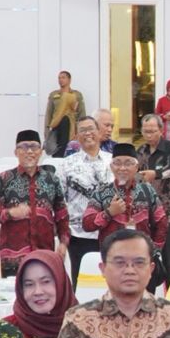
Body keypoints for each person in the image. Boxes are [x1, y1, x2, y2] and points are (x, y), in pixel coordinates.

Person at [0, 130, 70, 278]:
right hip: (12, 258)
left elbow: (62, 216)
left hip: (44, 254)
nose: (29, 151)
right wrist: (10, 213)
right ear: (16, 152)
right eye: (24, 147)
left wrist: (63, 243)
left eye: (34, 147)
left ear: (40, 152)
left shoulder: (52, 180)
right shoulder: (3, 179)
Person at [83, 143, 169, 258]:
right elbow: (87, 224)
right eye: (117, 163)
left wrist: (154, 251)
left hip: (141, 257)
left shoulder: (147, 190)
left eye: (128, 163)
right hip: (112, 258)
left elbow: (162, 222)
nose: (122, 168)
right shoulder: (101, 192)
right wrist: (109, 212)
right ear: (111, 167)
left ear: (136, 167)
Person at [61, 116, 113, 282]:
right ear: (77, 136)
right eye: (82, 130)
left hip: (110, 234)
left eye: (91, 129)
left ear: (99, 132)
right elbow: (60, 201)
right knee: (81, 284)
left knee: (111, 283)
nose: (87, 133)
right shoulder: (66, 164)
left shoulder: (113, 161)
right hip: (79, 235)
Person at [136, 114, 170, 291]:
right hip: (147, 216)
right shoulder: (140, 151)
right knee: (147, 260)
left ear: (161, 130)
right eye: (145, 131)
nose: (149, 135)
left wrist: (155, 174)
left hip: (169, 213)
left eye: (152, 131)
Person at [43, 72, 87, 155]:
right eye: (59, 78)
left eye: (63, 77)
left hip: (72, 129)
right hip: (57, 127)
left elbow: (82, 114)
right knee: (57, 153)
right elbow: (49, 114)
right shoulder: (54, 95)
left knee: (71, 153)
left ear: (69, 80)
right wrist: (47, 132)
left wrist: (80, 132)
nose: (60, 80)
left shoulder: (76, 95)